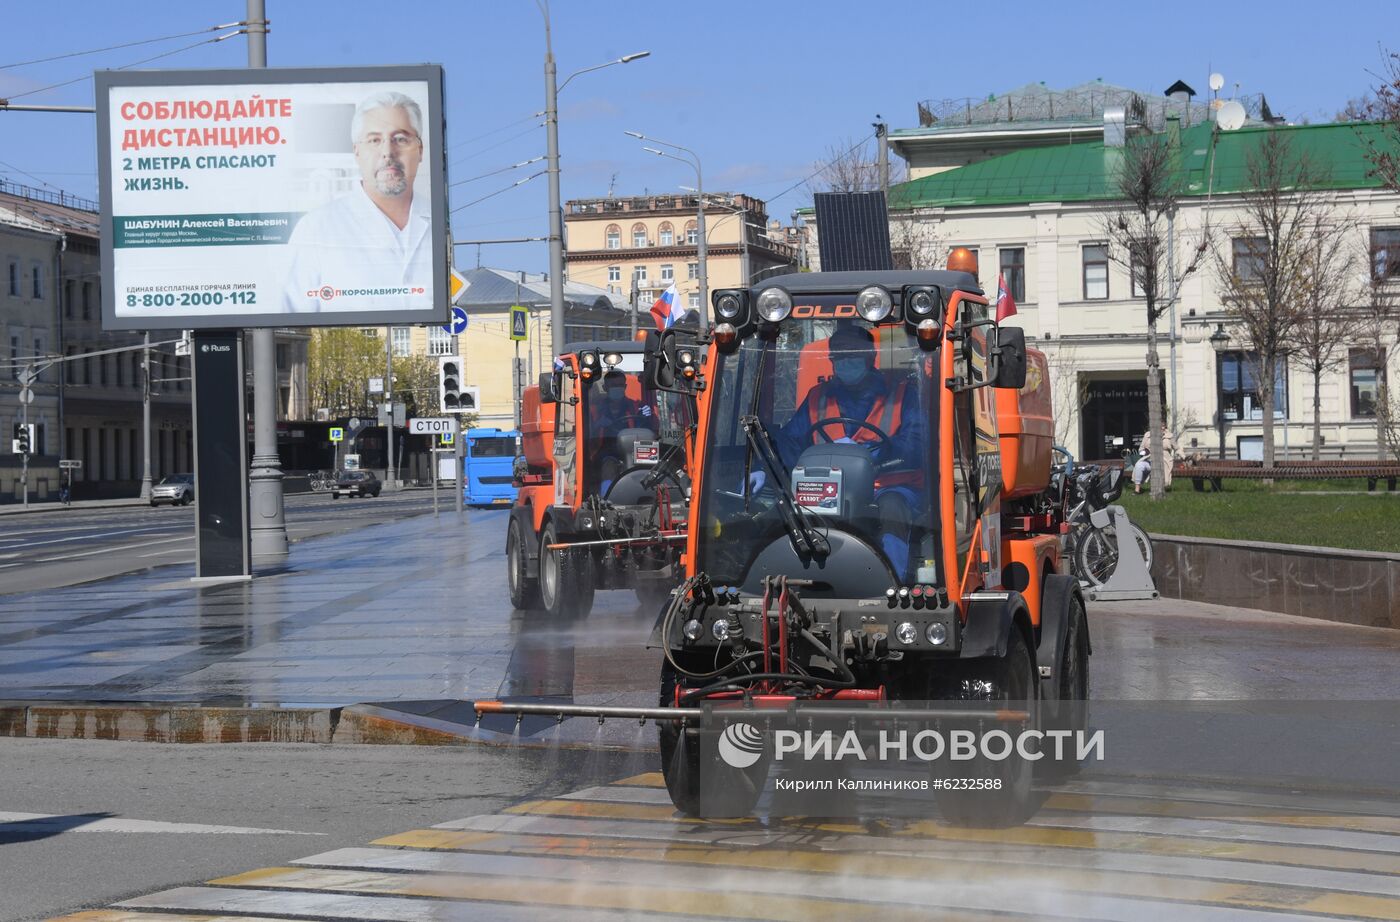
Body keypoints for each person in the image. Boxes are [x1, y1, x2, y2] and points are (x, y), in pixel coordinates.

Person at [768, 324, 923, 568]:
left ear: (870, 357)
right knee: (782, 508)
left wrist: (873, 453)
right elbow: (790, 441)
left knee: (892, 509)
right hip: (827, 488)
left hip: (888, 486)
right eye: (839, 357)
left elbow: (916, 445)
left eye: (852, 355)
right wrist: (764, 468)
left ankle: (894, 581)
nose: (845, 362)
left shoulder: (903, 394)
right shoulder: (818, 396)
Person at [282, 91, 433, 312]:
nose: (387, 152)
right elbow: (290, 321)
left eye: (400, 139)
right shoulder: (315, 229)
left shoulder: (440, 223)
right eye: (374, 140)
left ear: (420, 150)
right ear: (357, 151)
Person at [586, 371, 654, 494]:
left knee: (654, 464)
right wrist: (597, 425)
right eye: (612, 386)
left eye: (620, 385)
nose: (617, 389)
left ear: (625, 387)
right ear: (605, 388)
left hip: (635, 449)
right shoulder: (595, 410)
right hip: (606, 451)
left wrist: (649, 417)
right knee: (608, 467)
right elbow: (587, 435)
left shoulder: (636, 406)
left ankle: (650, 495)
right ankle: (606, 498)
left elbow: (650, 431)